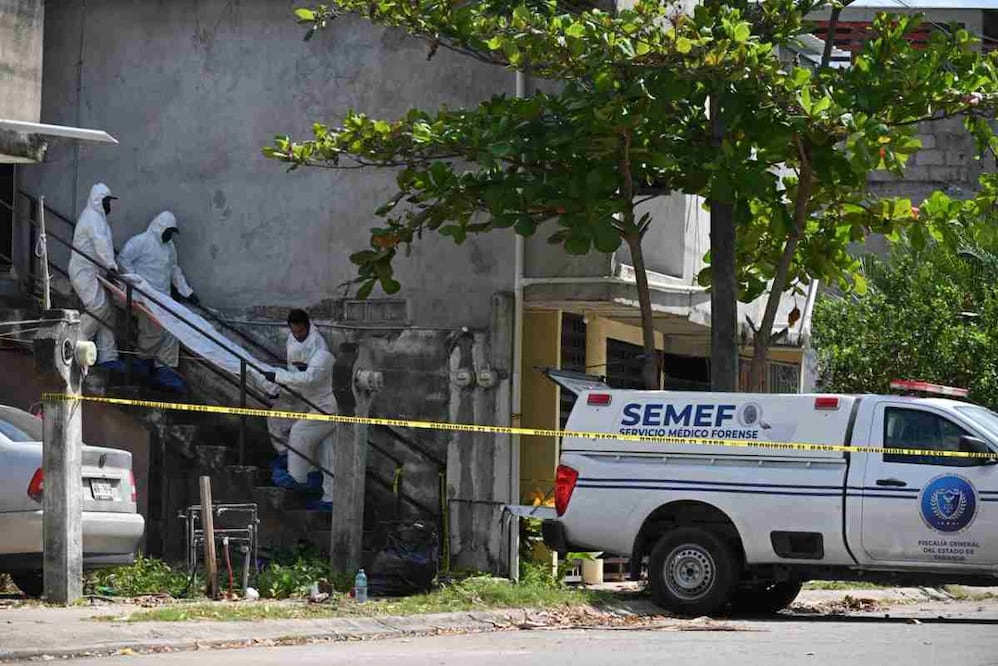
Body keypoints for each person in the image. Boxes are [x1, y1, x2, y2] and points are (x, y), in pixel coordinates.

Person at [118, 211, 199, 392]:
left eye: (172, 232)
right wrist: (136, 282)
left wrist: (187, 291)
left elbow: (174, 271)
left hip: (164, 298)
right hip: (144, 297)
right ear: (159, 227)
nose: (170, 235)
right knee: (152, 329)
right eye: (168, 231)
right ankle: (141, 361)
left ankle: (166, 369)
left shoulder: (170, 247)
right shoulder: (141, 242)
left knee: (173, 329)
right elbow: (123, 259)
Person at [264, 309, 336, 511]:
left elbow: (309, 378)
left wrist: (278, 378)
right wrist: (280, 385)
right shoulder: (293, 340)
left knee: (299, 432)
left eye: (301, 332)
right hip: (306, 395)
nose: (297, 335)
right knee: (327, 454)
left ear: (308, 326)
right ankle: (329, 498)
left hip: (322, 405)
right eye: (294, 332)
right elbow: (298, 372)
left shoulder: (321, 351)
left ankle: (298, 478)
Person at [68, 182, 122, 370]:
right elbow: (100, 244)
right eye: (107, 201)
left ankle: (108, 357)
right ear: (98, 201)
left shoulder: (99, 220)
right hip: (83, 272)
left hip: (95, 272)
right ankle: (76, 341)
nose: (109, 206)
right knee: (98, 306)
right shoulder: (91, 218)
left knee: (108, 311)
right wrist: (111, 266)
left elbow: (103, 246)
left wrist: (110, 267)